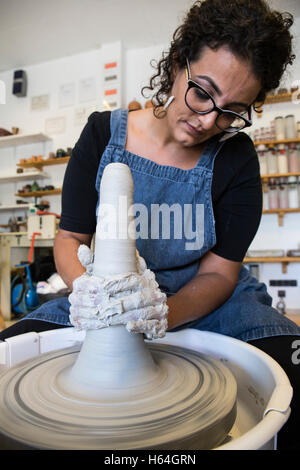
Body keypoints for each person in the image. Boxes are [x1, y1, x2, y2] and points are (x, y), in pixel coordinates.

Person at [1, 0, 299, 450]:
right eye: (202, 92)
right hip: (105, 291)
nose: (208, 121)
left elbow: (219, 273)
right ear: (178, 64)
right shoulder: (102, 135)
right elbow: (69, 239)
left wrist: (162, 313)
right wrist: (95, 301)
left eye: (231, 111)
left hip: (207, 300)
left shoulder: (235, 158)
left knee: (291, 375)